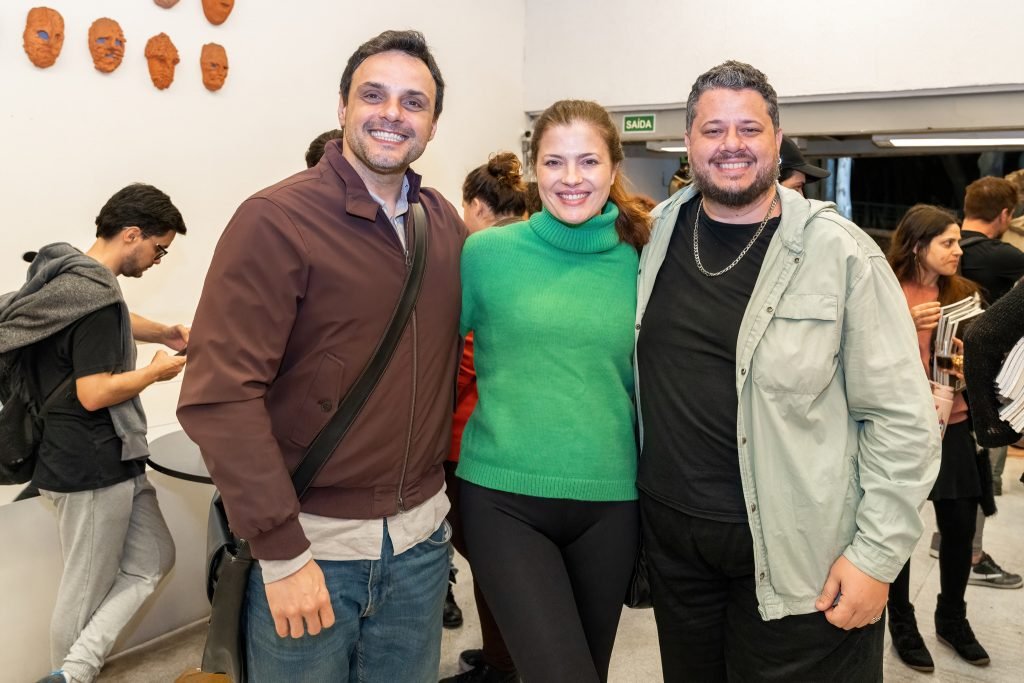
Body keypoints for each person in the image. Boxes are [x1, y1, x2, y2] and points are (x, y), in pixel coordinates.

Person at [635, 60, 940, 681]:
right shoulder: (658, 232)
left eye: (749, 129)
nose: (731, 145)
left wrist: (877, 558)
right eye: (712, 130)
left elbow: (903, 420)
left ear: (777, 139)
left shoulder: (842, 253)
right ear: (688, 141)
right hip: (677, 551)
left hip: (801, 557)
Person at [176, 30, 466, 682]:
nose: (394, 113)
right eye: (374, 94)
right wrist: (281, 552)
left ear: (433, 123)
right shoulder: (276, 221)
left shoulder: (441, 224)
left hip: (421, 550)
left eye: (413, 101)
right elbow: (220, 394)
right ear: (341, 108)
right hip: (311, 550)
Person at [457, 99, 649, 683]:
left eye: (588, 162)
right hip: (502, 498)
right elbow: (427, 359)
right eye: (554, 162)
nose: (571, 178)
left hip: (613, 504)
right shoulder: (487, 254)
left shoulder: (644, 256)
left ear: (613, 169)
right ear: (533, 169)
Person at [0, 184, 188, 683]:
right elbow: (94, 392)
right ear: (132, 234)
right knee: (82, 595)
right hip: (89, 463)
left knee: (154, 557)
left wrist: (165, 332)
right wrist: (156, 372)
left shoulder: (64, 277)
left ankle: (73, 671)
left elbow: (111, 323)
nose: (157, 259)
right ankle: (71, 677)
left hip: (105, 455)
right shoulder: (97, 296)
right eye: (158, 248)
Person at [885, 204, 992, 671]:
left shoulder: (967, 295)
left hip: (955, 426)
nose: (956, 250)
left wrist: (975, 360)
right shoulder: (885, 290)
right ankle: (901, 624)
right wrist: (906, 327)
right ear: (916, 245)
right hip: (900, 430)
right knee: (896, 533)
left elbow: (988, 363)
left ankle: (952, 618)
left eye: (957, 242)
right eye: (947, 242)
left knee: (960, 530)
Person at [441, 152, 527, 683]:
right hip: (514, 433)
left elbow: (467, 352)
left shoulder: (480, 254)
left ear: (474, 205)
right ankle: (503, 658)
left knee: (494, 568)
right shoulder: (536, 249)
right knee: (501, 565)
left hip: (469, 439)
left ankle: (505, 665)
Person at [933, 176, 1023, 587]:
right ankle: (971, 555)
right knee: (980, 476)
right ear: (1005, 215)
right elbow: (986, 335)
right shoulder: (1004, 256)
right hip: (986, 386)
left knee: (957, 477)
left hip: (938, 380)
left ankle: (954, 542)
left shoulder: (938, 253)